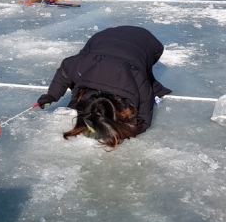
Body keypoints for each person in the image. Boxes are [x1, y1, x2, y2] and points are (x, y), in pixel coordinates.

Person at [37, 26, 171, 149]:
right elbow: (65, 70)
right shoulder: (81, 66)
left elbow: (144, 121)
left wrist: (122, 131)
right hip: (102, 38)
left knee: (141, 65)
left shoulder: (140, 83)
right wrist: (51, 95)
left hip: (148, 42)